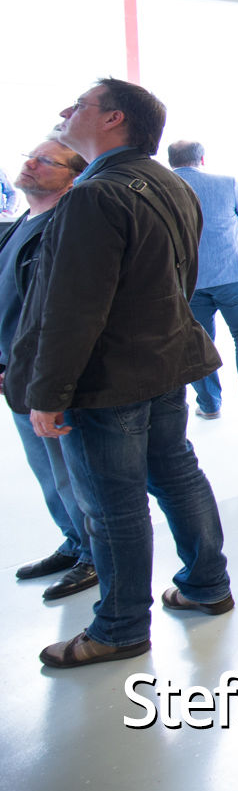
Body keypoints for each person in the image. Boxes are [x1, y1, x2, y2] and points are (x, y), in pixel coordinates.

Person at [7, 78, 234, 668]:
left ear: (114, 119)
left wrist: (48, 392)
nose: (66, 110)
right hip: (164, 362)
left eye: (81, 104)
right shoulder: (167, 182)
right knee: (177, 475)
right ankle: (207, 584)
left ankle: (120, 628)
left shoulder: (93, 196)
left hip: (108, 380)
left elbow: (71, 308)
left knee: (113, 506)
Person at [2, 139, 98, 603]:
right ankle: (75, 541)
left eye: (45, 161)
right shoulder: (22, 223)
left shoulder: (64, 228)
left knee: (71, 474)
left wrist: (38, 375)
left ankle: (94, 555)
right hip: (15, 374)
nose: (31, 165)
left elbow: (57, 315)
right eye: (31, 157)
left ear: (73, 178)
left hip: (43, 377)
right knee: (46, 472)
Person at [167, 140, 238, 417]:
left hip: (188, 281)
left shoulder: (161, 189)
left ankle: (209, 405)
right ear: (202, 159)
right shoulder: (227, 183)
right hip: (233, 273)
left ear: (170, 161)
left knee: (197, 342)